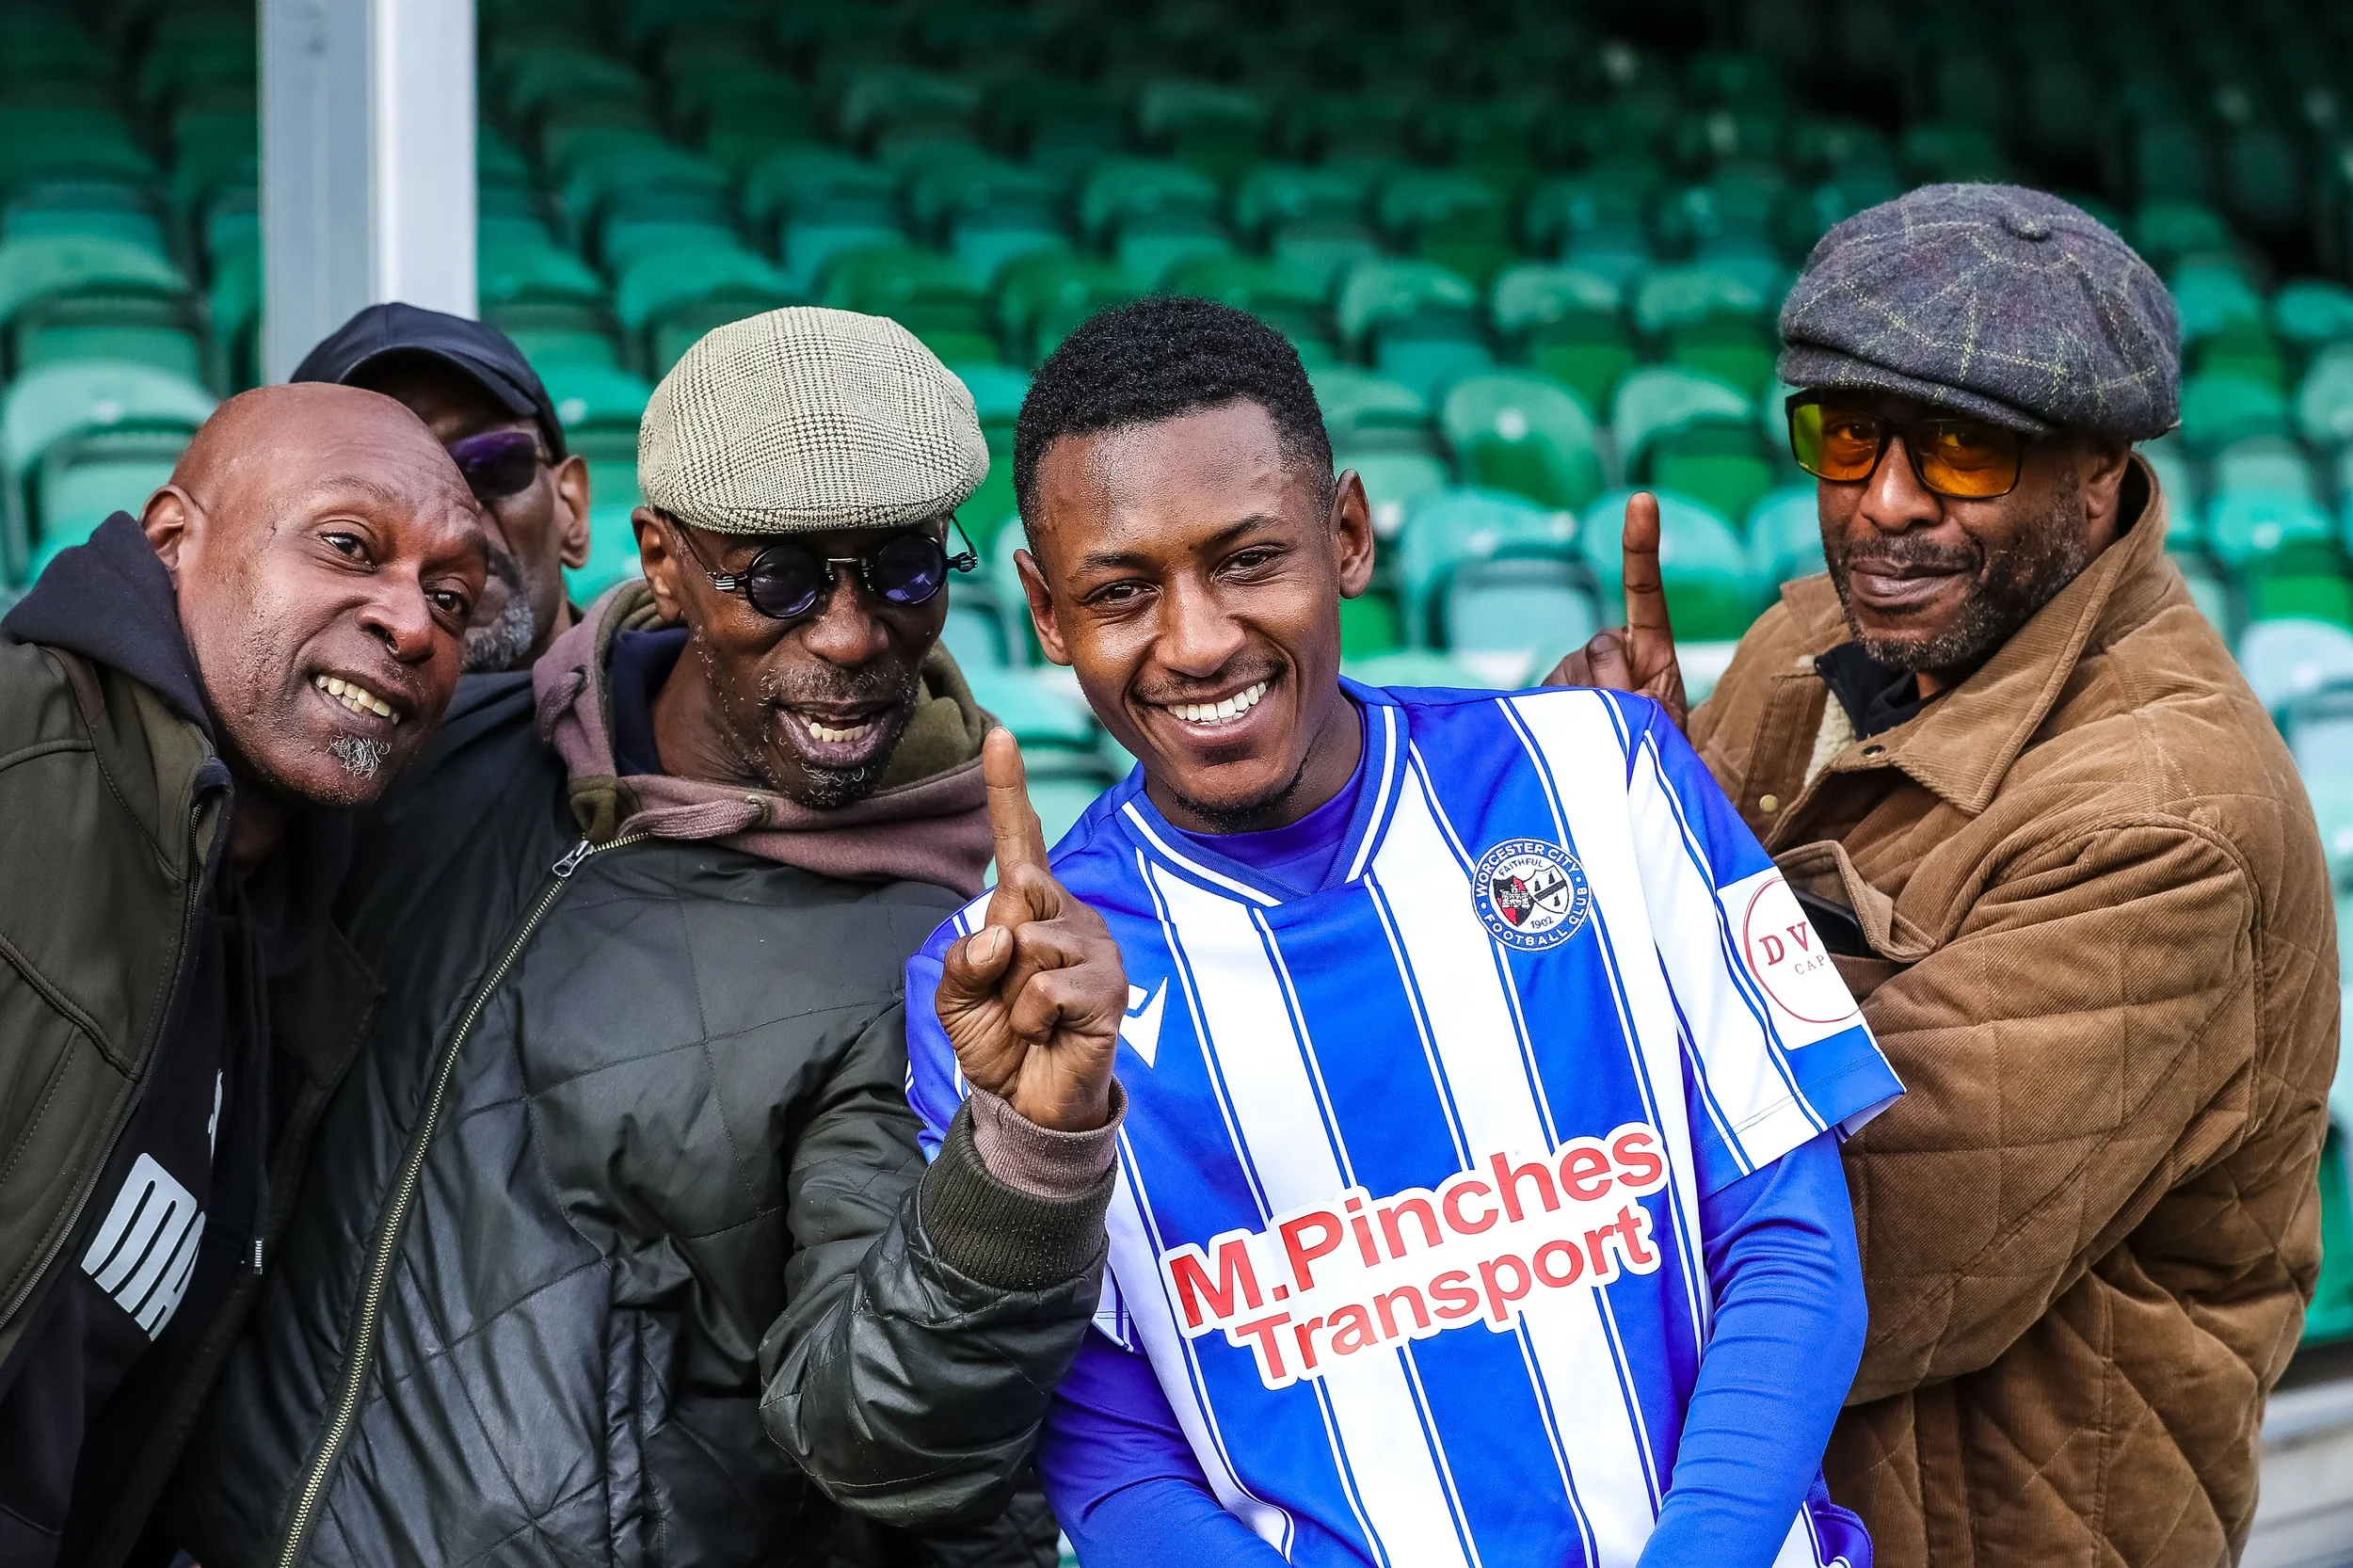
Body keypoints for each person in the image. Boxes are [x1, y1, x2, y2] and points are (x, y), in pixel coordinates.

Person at [903, 296, 1907, 1568]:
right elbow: (1105, 1451)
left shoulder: (1612, 773)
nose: (1200, 639)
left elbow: (1791, 1236)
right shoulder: (998, 989)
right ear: (1047, 614)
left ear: (1348, 535)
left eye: (1250, 559)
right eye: (1122, 591)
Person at [163, 309, 1126, 1568]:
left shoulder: (943, 958)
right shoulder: (439, 747)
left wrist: (1023, 1163)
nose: (847, 634)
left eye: (900, 569)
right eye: (776, 575)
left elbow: (885, 1441)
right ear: (660, 561)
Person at [1549, 184, 2339, 1567]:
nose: (1883, 504)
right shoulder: (1808, 644)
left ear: (2095, 475)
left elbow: (1835, 1260)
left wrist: (1627, 902)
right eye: (1848, 436)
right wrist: (1627, 814)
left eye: (1965, 449)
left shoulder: (2164, 823)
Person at [0, 384, 488, 1567]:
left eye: (452, 596)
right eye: (347, 546)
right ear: (176, 539)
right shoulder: (21, 753)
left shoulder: (287, 927)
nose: (412, 623)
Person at [295, 302, 592, 672]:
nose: (452, 517)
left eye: (492, 462)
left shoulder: (664, 706)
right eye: (383, 486)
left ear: (572, 509)